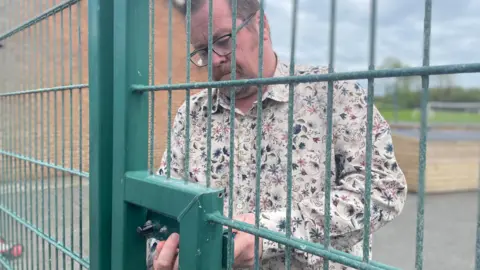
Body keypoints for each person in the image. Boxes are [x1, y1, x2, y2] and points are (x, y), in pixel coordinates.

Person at [149, 0, 407, 269]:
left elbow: (384, 190)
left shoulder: (334, 95)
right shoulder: (192, 114)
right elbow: (163, 208)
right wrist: (161, 253)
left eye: (223, 40)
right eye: (202, 51)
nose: (214, 59)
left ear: (262, 25)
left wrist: (270, 234)